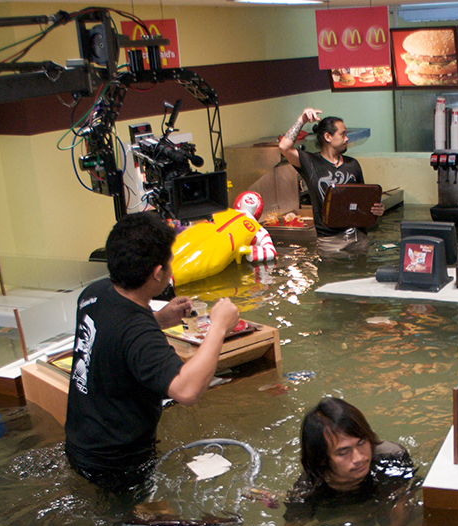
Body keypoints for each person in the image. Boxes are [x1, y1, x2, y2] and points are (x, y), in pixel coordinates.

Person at [65, 211, 239, 495]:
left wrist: (160, 320)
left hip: (80, 442)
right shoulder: (138, 332)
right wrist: (219, 326)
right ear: (158, 273)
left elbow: (116, 336)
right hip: (118, 464)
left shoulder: (94, 293)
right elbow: (186, 390)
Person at [283, 397, 418, 526]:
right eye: (343, 452)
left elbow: (402, 503)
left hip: (383, 502)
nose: (359, 458)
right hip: (341, 513)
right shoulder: (307, 490)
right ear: (322, 458)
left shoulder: (391, 458)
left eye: (362, 443)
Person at [279, 108, 384, 254]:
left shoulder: (353, 164)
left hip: (358, 238)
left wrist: (375, 210)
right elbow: (284, 147)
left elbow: (362, 200)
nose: (347, 139)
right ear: (328, 137)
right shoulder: (310, 162)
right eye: (342, 134)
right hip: (329, 242)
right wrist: (301, 120)